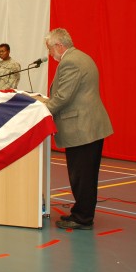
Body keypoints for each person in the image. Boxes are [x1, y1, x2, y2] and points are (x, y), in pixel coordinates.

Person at [41, 28, 113, 230]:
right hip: (87, 127)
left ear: (59, 45)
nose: (50, 53)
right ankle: (80, 213)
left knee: (82, 176)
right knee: (84, 175)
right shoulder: (80, 57)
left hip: (82, 129)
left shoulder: (71, 61)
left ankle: (83, 218)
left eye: (50, 48)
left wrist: (41, 111)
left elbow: (64, 97)